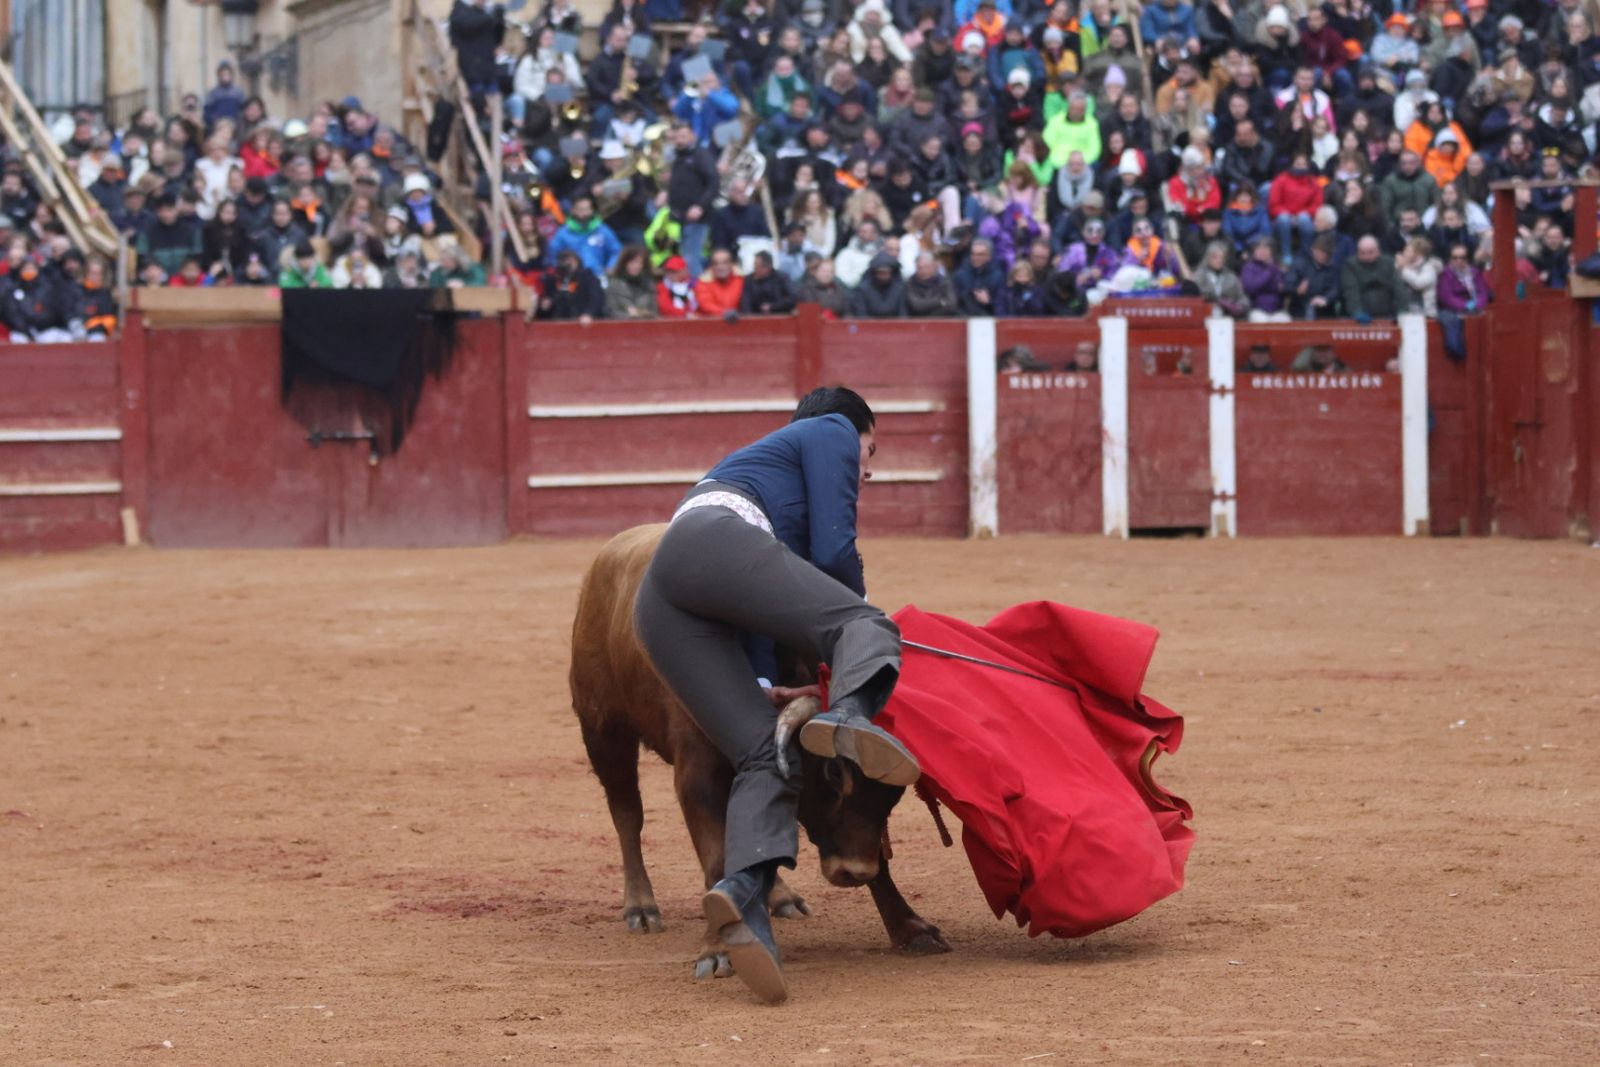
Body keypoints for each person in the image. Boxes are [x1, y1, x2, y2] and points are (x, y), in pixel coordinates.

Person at [632, 386, 919, 1004]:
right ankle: (850, 716)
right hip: (711, 541)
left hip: (663, 604)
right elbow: (834, 552)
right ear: (856, 428)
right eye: (872, 450)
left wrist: (766, 685)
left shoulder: (772, 511)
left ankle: (742, 899)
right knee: (868, 626)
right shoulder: (833, 430)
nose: (866, 467)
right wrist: (851, 642)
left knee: (769, 753)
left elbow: (762, 613)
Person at [1340, 236, 1410, 322]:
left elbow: (1398, 288)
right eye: (1362, 253)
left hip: (1387, 313)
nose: (1366, 256)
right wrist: (1356, 311)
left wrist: (1403, 310)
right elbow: (1351, 291)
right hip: (1361, 314)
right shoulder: (1350, 265)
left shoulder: (1389, 263)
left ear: (1378, 251)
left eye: (1370, 252)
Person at [606, 246, 658, 319]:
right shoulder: (614, 284)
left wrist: (642, 313)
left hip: (645, 326)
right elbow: (610, 312)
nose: (636, 266)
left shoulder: (649, 285)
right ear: (624, 263)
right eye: (632, 262)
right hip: (621, 327)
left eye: (640, 263)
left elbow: (654, 312)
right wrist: (630, 316)